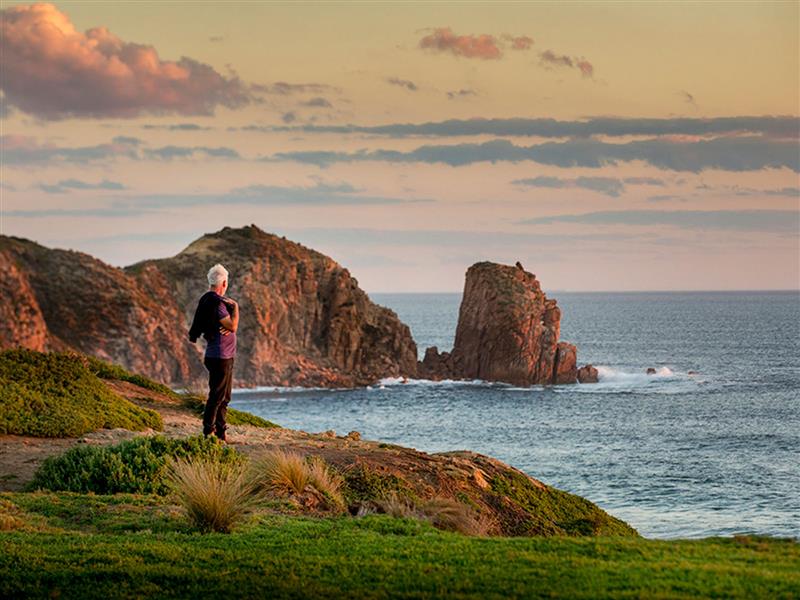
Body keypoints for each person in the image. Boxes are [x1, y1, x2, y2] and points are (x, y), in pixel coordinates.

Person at [188, 263, 239, 442]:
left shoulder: (208, 300)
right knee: (217, 396)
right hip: (220, 356)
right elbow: (232, 326)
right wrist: (236, 309)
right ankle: (208, 432)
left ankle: (220, 433)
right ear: (224, 283)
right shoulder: (217, 303)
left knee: (224, 397)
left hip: (222, 355)